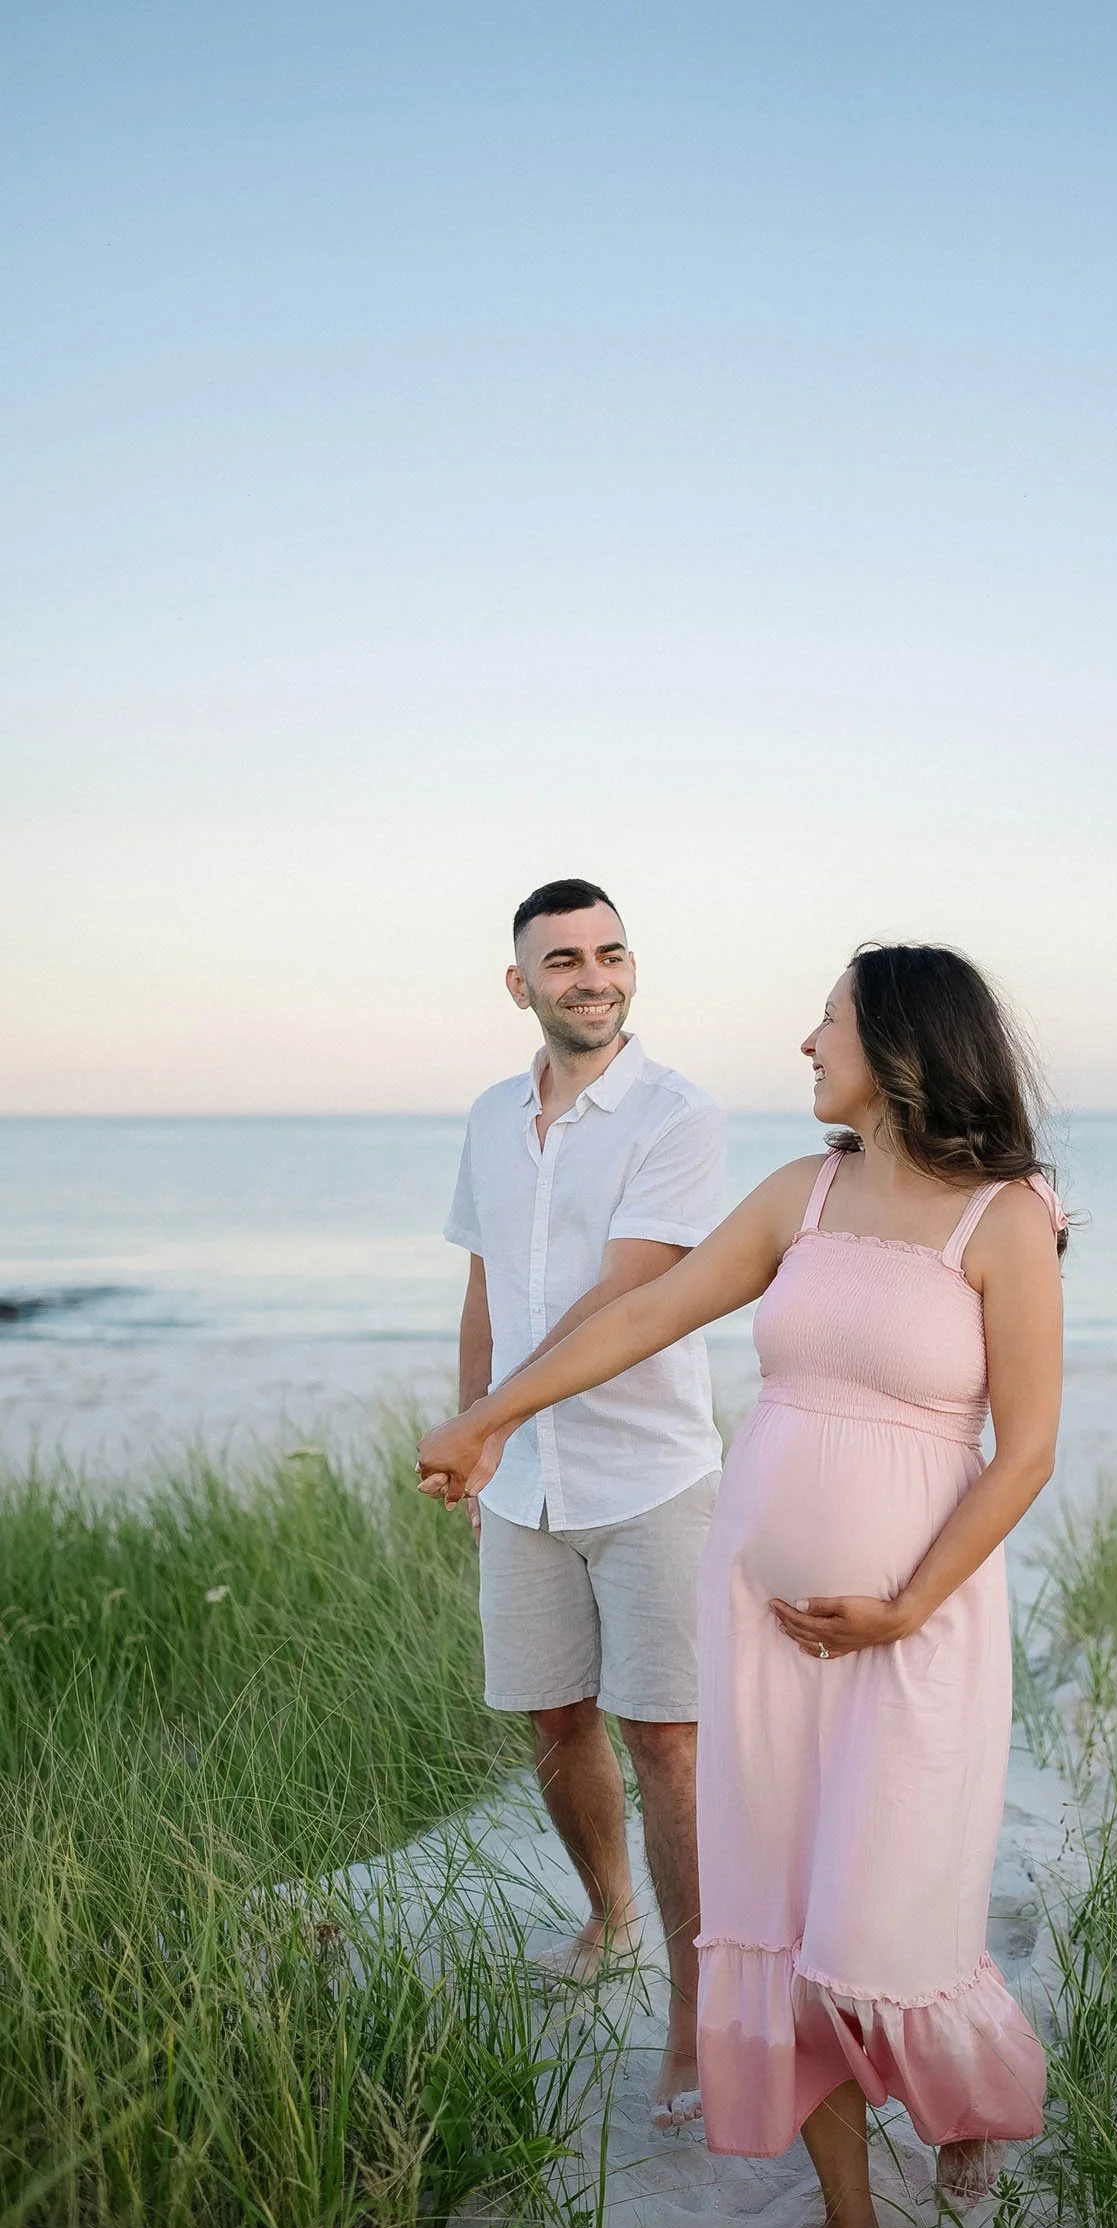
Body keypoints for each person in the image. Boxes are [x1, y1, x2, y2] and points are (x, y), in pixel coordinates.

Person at [419, 942, 1065, 2228]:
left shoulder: (1002, 1219)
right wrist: (492, 1416)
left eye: (824, 1020)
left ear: (896, 1051)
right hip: (762, 1628)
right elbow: (651, 1310)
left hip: (913, 1634)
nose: (802, 1042)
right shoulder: (803, 1193)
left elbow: (1024, 1455)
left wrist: (904, 1605)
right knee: (775, 1915)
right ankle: (846, 2224)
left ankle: (961, 2112)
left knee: (885, 1922)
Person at [444, 877, 725, 2132]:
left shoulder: (679, 1116)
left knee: (668, 1737)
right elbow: (485, 1288)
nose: (593, 977)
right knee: (555, 1719)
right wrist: (481, 1443)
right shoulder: (491, 1116)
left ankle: (698, 2014)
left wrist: (485, 1418)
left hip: (652, 1475)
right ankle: (613, 1924)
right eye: (563, 961)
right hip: (525, 1480)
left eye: (611, 953)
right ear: (521, 985)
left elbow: (626, 1304)